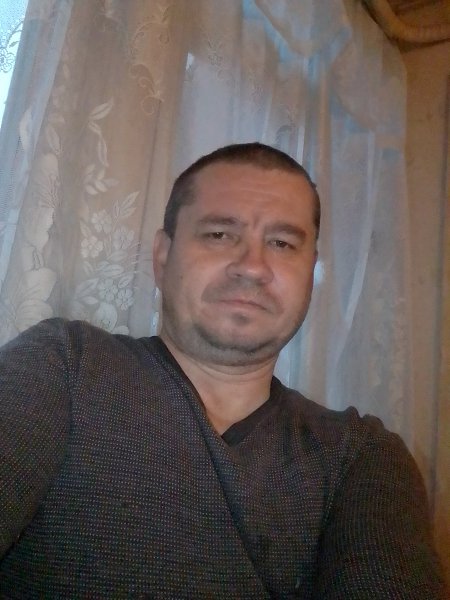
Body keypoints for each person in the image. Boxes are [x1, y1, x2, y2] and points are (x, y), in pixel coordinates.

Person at [0, 143, 445, 598]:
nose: (252, 267)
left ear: (310, 273)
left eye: (282, 243)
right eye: (219, 234)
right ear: (162, 257)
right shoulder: (64, 364)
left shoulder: (360, 455)